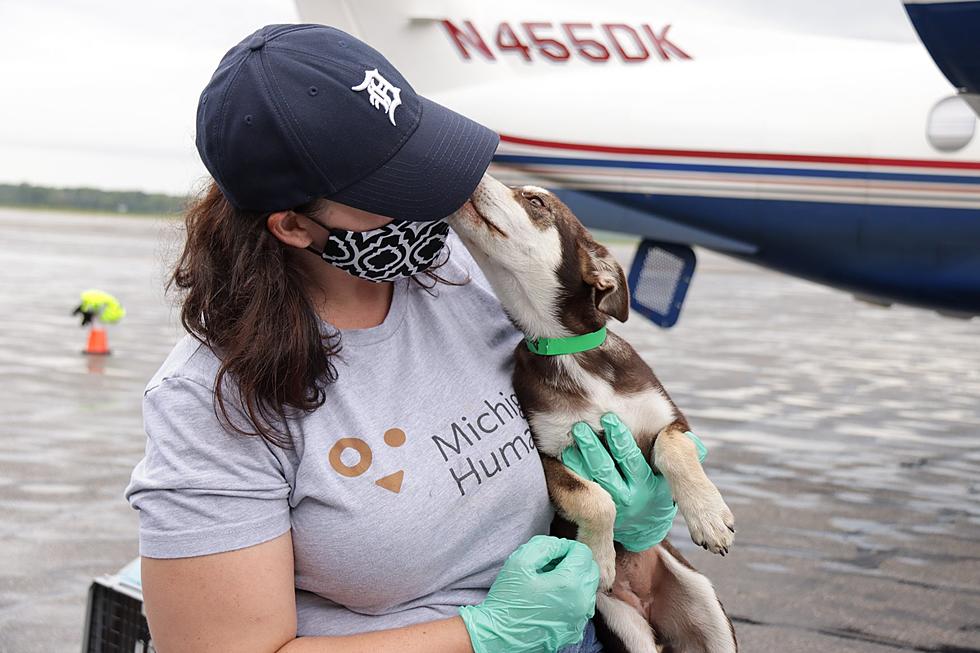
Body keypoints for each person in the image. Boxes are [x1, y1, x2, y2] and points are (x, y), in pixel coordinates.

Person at [124, 24, 686, 653]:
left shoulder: (469, 280)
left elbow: (591, 405)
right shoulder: (213, 403)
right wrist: (483, 636)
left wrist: (638, 523)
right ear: (293, 226)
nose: (443, 200)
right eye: (399, 190)